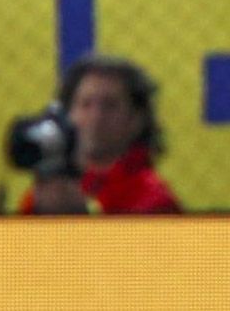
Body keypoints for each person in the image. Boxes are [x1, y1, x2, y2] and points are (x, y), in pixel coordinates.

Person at [19, 55, 180, 215]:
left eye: (110, 105)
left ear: (136, 120)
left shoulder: (153, 199)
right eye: (85, 104)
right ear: (67, 115)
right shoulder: (49, 191)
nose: (96, 116)